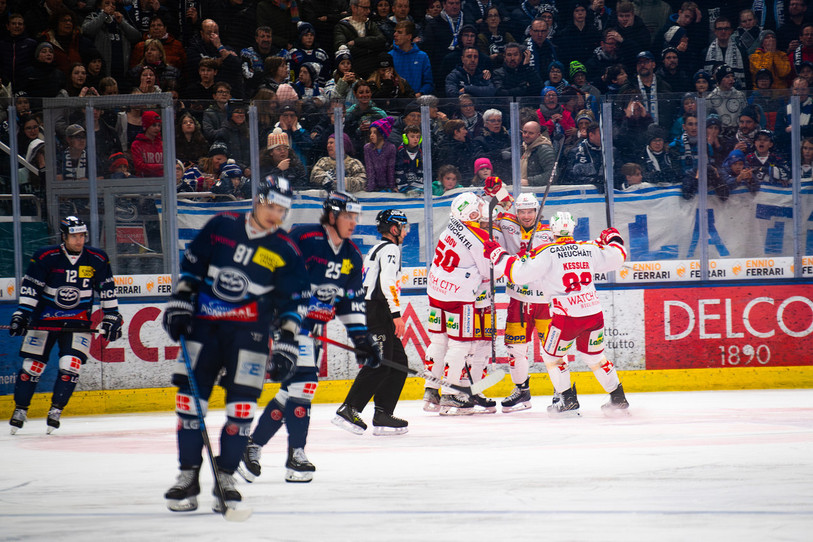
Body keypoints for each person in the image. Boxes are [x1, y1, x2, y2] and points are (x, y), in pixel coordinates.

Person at [162, 177, 309, 513]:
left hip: (250, 338)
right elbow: (192, 269)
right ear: (257, 201)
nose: (277, 215)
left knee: (241, 412)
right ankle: (188, 475)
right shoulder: (221, 227)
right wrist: (180, 303)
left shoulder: (285, 249)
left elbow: (291, 303)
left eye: (283, 209)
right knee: (189, 406)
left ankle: (225, 476)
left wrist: (287, 341)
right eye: (272, 206)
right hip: (203, 331)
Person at [241, 191, 382, 482]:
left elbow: (351, 302)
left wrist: (363, 341)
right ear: (331, 216)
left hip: (313, 331)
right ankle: (297, 454)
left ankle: (252, 445)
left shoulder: (352, 256)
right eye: (348, 216)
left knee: (290, 392)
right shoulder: (304, 238)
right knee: (305, 385)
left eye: (356, 216)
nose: (354, 222)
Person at [484, 211, 630, 416]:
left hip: (566, 316)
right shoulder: (589, 248)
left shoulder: (547, 252)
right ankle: (618, 398)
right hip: (594, 314)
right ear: (572, 228)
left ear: (552, 231)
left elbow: (518, 274)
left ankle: (568, 400)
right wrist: (613, 237)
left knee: (552, 356)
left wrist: (497, 255)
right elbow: (618, 256)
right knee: (595, 357)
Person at [8, 216, 123, 435]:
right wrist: (22, 314)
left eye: (82, 236)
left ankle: (56, 410)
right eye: (74, 236)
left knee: (71, 365)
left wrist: (111, 316)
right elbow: (31, 288)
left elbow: (107, 288)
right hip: (44, 321)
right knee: (32, 367)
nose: (79, 240)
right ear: (64, 236)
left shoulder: (97, 258)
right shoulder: (45, 256)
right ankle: (20, 409)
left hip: (78, 322)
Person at [333, 209, 410, 435]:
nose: (405, 232)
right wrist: (396, 315)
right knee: (380, 362)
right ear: (394, 229)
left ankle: (383, 414)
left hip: (376, 310)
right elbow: (387, 283)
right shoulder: (391, 249)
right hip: (377, 311)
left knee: (398, 363)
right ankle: (349, 408)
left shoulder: (377, 248)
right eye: (403, 227)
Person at [422, 192, 492, 415]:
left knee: (438, 340)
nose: (482, 208)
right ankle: (451, 394)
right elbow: (486, 271)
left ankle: (431, 390)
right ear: (471, 213)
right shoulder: (478, 237)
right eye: (478, 206)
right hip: (458, 297)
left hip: (436, 290)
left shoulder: (450, 225)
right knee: (460, 344)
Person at [488, 189, 554, 412]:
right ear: (516, 212)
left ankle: (561, 392)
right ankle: (522, 392)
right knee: (515, 349)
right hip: (518, 299)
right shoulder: (507, 222)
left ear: (538, 211)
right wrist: (497, 190)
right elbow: (499, 205)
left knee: (552, 350)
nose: (526, 216)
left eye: (530, 211)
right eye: (522, 211)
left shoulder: (550, 232)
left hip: (545, 302)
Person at [334, 0, 389, 79]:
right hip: (354, 72)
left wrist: (356, 41)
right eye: (365, 8)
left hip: (373, 71)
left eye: (369, 8)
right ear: (354, 8)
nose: (368, 11)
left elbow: (381, 40)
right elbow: (342, 48)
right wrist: (369, 50)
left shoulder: (370, 24)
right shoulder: (342, 26)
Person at [520, 120, 555, 186]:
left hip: (539, 192)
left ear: (538, 134)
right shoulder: (525, 147)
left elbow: (552, 175)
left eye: (531, 133)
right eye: (524, 132)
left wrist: (529, 181)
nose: (526, 135)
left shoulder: (544, 149)